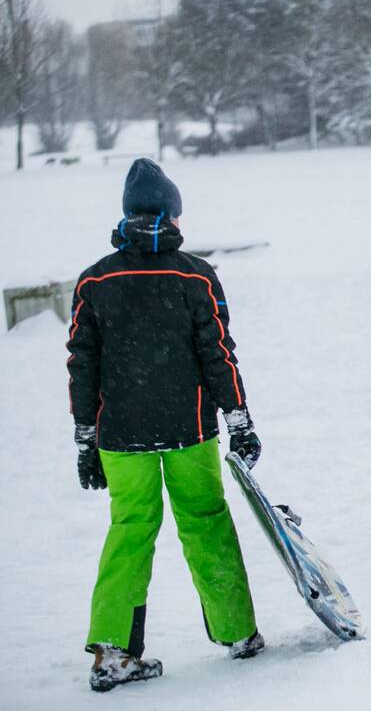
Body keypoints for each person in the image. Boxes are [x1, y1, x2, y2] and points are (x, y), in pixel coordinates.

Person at [67, 159, 264, 693]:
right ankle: (238, 632)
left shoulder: (95, 280)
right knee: (206, 521)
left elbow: (81, 364)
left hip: (120, 436)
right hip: (189, 427)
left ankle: (113, 651)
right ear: (173, 214)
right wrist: (239, 417)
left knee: (129, 531)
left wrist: (85, 437)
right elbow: (218, 352)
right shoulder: (193, 273)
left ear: (127, 215)